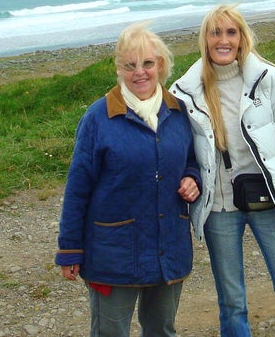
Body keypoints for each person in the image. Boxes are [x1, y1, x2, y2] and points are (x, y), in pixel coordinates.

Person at [170, 5, 275, 336]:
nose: (223, 40)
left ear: (242, 38)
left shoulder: (268, 79)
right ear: (205, 40)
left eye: (231, 32)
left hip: (271, 203)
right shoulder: (186, 91)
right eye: (215, 32)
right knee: (232, 304)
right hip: (219, 210)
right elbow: (177, 151)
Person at [56, 21, 201, 337]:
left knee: (162, 330)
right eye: (130, 65)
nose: (140, 73)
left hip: (169, 248)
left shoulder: (179, 112)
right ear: (118, 69)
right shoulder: (98, 118)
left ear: (160, 66)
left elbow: (192, 161)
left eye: (148, 63)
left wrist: (192, 178)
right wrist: (69, 249)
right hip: (113, 254)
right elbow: (78, 187)